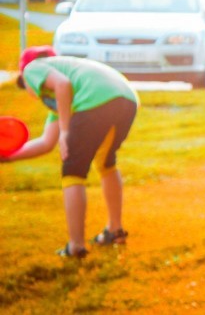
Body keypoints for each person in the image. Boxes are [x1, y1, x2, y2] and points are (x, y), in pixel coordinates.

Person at [3, 46, 139, 259]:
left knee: (72, 171)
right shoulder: (65, 98)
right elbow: (46, 143)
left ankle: (75, 246)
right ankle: (115, 230)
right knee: (106, 162)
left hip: (97, 99)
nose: (29, 91)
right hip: (126, 97)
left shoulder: (33, 69)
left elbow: (62, 84)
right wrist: (6, 157)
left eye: (23, 86)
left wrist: (66, 132)